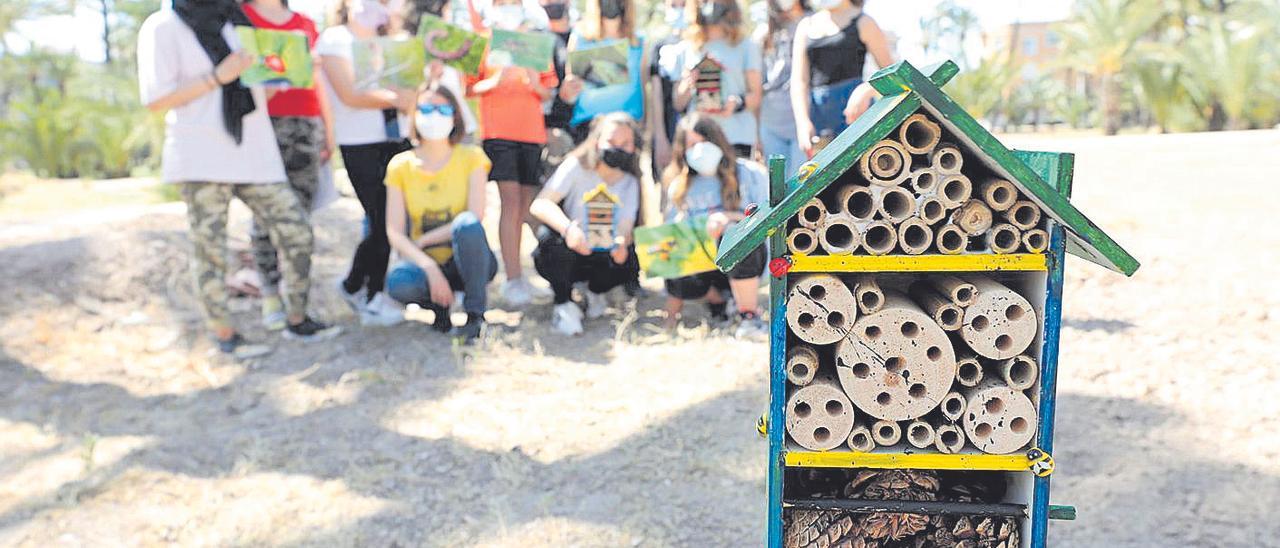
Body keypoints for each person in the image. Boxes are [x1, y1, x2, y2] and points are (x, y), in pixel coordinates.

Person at [137, 0, 339, 356]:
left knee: (296, 230)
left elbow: (260, 86)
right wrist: (218, 77)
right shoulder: (163, 26)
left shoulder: (239, 21)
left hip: (254, 151)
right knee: (209, 249)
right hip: (201, 154)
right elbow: (155, 98)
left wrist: (291, 70)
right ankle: (224, 335)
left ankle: (296, 318)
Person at [317, 0, 417, 326]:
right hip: (359, 143)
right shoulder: (335, 39)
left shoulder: (397, 42)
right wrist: (392, 97)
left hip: (397, 139)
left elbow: (410, 96)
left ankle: (356, 285)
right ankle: (371, 294)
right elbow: (349, 94)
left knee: (393, 219)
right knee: (380, 218)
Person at [241, 0, 335, 332]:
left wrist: (328, 131)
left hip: (306, 123)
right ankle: (270, 295)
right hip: (261, 124)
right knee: (265, 215)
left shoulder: (305, 22)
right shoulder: (241, 17)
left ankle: (297, 303)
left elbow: (317, 82)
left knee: (300, 217)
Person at [384, 84, 496, 343]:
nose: (434, 114)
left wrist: (424, 240)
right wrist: (429, 266)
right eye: (425, 107)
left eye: (442, 108)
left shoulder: (472, 157)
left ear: (455, 115)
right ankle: (440, 310)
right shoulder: (400, 166)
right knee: (399, 283)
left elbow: (475, 215)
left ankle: (475, 314)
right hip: (425, 265)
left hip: (468, 260)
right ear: (413, 114)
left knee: (467, 225)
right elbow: (394, 232)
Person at [469, 0, 559, 308]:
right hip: (498, 131)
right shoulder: (481, 39)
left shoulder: (535, 42)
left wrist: (534, 82)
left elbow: (548, 90)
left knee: (526, 205)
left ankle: (528, 274)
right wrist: (494, 80)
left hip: (531, 132)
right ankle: (513, 279)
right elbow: (468, 87)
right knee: (509, 203)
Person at [530, 113, 643, 336]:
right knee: (548, 238)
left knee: (626, 258)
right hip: (573, 247)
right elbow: (541, 204)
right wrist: (568, 229)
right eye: (612, 142)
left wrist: (621, 243)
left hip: (603, 254)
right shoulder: (576, 166)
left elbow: (626, 225)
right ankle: (564, 303)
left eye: (625, 143)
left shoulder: (630, 182)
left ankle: (595, 292)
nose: (618, 149)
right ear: (597, 140)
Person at [661, 115, 767, 340]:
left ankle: (748, 316)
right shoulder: (678, 187)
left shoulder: (750, 173)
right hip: (703, 265)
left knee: (736, 235)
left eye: (704, 142)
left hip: (747, 261)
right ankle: (719, 300)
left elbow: (767, 218)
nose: (699, 150)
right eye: (691, 145)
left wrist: (728, 218)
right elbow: (667, 245)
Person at [790, 0, 892, 157]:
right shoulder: (806, 26)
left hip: (857, 117)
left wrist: (866, 89)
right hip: (819, 120)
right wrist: (802, 122)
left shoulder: (864, 21)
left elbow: (892, 73)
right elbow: (799, 82)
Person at [670, 0, 762, 159]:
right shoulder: (687, 48)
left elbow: (756, 95)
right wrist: (688, 83)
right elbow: (678, 102)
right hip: (700, 139)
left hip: (736, 136)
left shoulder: (746, 46)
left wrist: (737, 103)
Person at [564, 0, 645, 142]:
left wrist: (648, 126)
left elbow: (644, 87)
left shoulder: (638, 40)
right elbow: (569, 91)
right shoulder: (580, 36)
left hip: (628, 125)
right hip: (588, 124)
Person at [754, 0, 807, 173]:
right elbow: (756, 87)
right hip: (771, 123)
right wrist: (756, 134)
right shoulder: (763, 33)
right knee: (778, 186)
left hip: (804, 120)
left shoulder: (811, 23)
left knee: (803, 180)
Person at [648, 0, 686, 177]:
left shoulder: (705, 44)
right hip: (669, 127)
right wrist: (660, 138)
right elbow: (656, 95)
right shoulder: (659, 46)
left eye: (683, 4)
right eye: (673, 5)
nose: (679, 10)